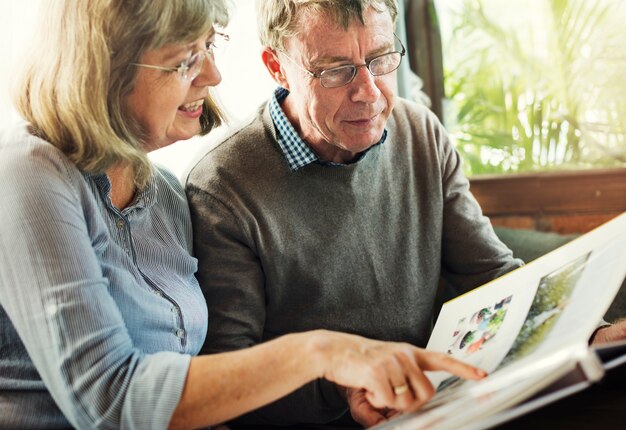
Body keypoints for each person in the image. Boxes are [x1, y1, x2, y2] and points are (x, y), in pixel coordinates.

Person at [0, 1, 489, 429]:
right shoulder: (27, 175)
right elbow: (109, 403)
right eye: (185, 60)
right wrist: (325, 355)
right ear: (102, 68)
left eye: (209, 46)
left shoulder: (165, 196)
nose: (213, 75)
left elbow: (197, 375)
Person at [185, 0, 626, 427]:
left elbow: (491, 274)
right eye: (336, 70)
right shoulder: (223, 185)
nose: (369, 93)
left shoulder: (420, 133)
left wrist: (588, 332)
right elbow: (231, 373)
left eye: (380, 59)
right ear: (276, 66)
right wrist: (344, 385)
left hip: (442, 400)